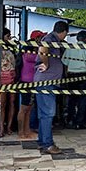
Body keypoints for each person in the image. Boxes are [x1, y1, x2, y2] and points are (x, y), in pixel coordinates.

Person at [34, 21, 69, 155]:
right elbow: (43, 50)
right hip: (46, 82)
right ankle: (48, 144)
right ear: (64, 32)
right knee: (48, 113)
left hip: (46, 82)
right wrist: (46, 64)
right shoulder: (50, 39)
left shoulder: (52, 39)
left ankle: (43, 142)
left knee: (44, 114)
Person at [62, 30, 86, 129]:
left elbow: (65, 64)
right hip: (84, 75)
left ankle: (70, 120)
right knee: (82, 100)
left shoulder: (70, 48)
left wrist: (66, 77)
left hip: (71, 75)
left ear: (77, 38)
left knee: (72, 99)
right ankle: (79, 122)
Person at [0, 28, 18, 136]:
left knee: (12, 102)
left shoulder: (11, 46)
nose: (9, 38)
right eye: (8, 36)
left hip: (12, 76)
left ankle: (9, 126)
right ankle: (1, 126)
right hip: (1, 77)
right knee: (2, 103)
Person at [17, 30, 43, 140]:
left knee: (29, 108)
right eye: (40, 38)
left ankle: (27, 130)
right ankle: (21, 132)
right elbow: (39, 58)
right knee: (24, 108)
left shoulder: (32, 52)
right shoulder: (29, 54)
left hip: (32, 82)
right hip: (26, 82)